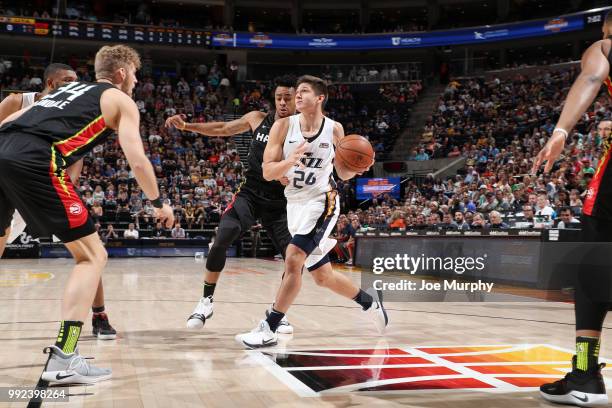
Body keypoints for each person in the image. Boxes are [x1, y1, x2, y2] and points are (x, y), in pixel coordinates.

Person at [0, 45, 174, 384]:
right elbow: (137, 161)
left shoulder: (64, 91)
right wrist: (158, 203)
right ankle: (65, 356)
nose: (136, 83)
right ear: (122, 73)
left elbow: (9, 120)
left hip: (3, 148)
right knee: (93, 256)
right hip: (36, 158)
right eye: (135, 76)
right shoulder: (119, 100)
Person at [236, 75, 387, 349]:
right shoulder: (282, 126)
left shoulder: (335, 129)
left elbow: (342, 173)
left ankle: (269, 326)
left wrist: (358, 167)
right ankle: (370, 303)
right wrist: (289, 162)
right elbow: (268, 171)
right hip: (294, 205)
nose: (296, 96)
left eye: (303, 91)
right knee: (322, 277)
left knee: (293, 259)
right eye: (297, 92)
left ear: (320, 98)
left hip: (322, 200)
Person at [165, 76, 297, 334]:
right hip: (250, 194)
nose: (282, 102)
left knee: (293, 260)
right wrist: (187, 126)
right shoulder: (257, 118)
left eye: (288, 98)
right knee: (222, 238)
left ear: (297, 100)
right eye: (279, 97)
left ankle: (277, 312)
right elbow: (223, 129)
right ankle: (206, 302)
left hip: (282, 202)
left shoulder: (302, 128)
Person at [0, 63, 119, 341]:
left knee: (87, 247)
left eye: (77, 80)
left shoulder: (72, 108)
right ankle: (69, 347)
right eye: (68, 80)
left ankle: (99, 315)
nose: (75, 85)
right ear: (51, 83)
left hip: (42, 184)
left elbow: (75, 160)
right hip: (8, 177)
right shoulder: (18, 101)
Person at [532, 13, 612, 406]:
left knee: (591, 275)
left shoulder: (605, 47)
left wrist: (561, 131)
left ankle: (585, 375)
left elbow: (593, 77)